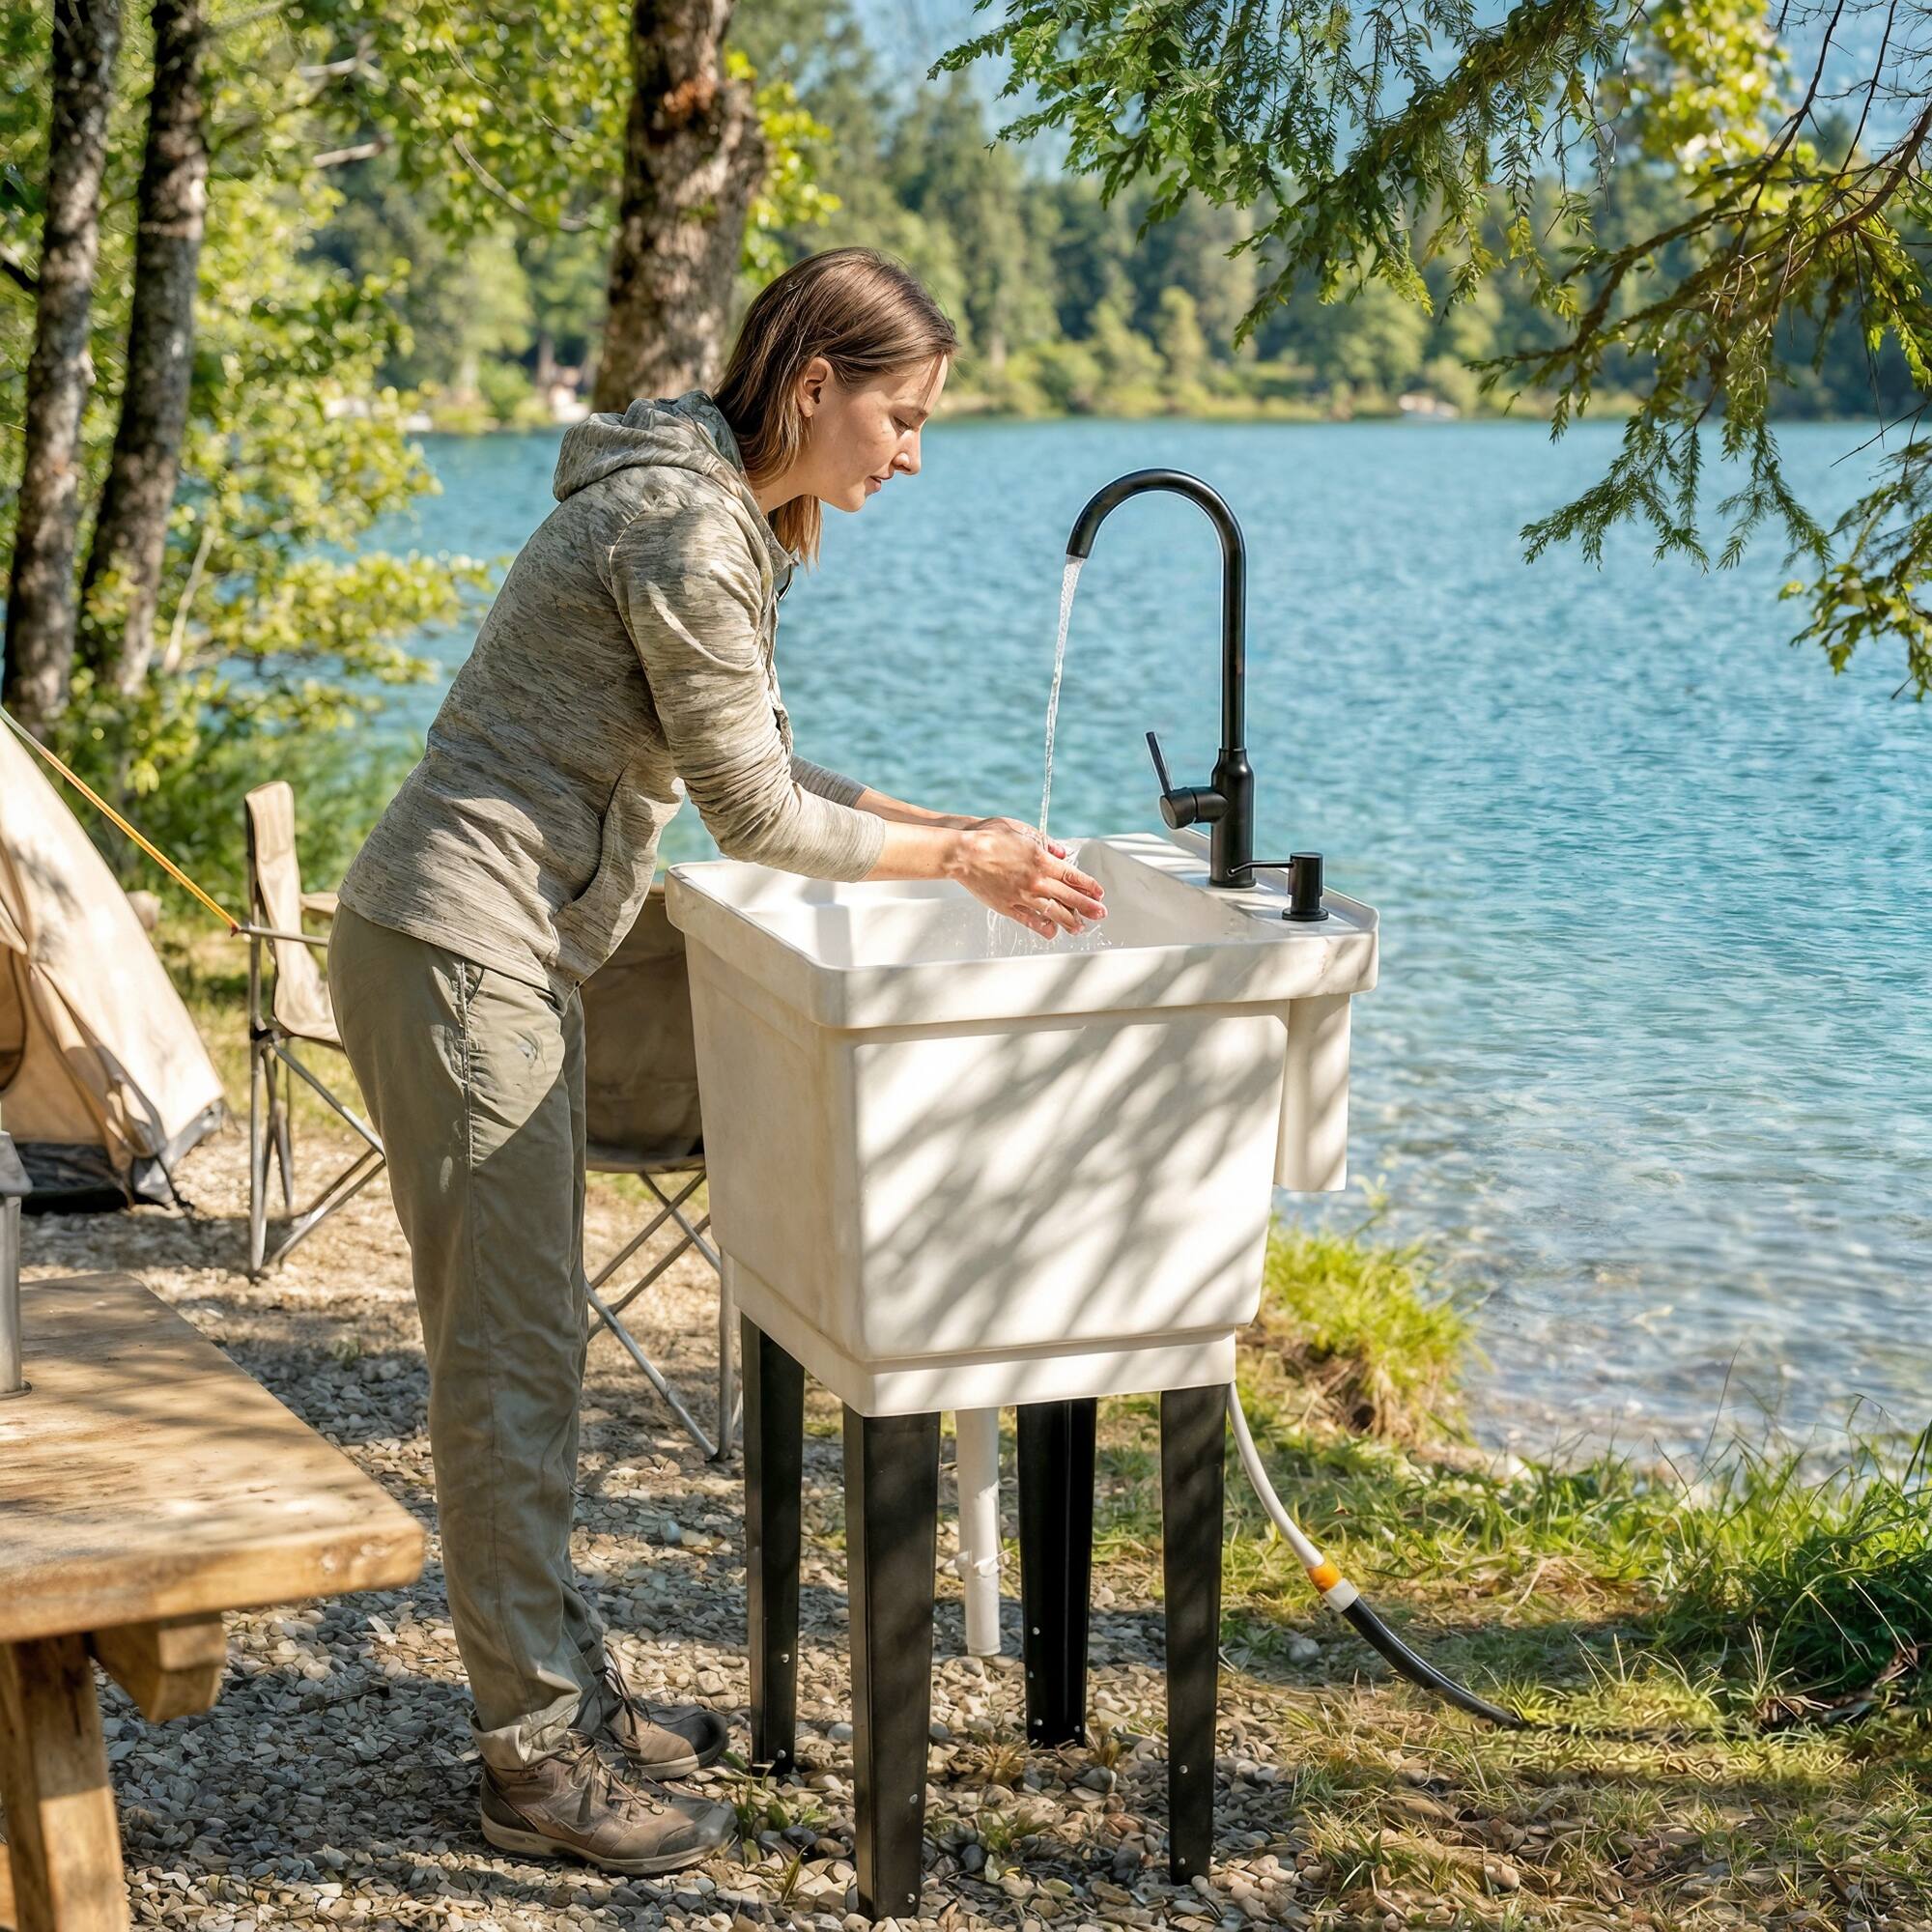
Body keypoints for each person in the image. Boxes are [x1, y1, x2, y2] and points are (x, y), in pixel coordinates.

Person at [326, 245, 1107, 1876]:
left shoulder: (695, 501)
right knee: (515, 1367)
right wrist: (956, 868)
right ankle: (531, 1761)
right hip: (462, 952)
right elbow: (750, 816)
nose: (910, 454)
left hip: (477, 945)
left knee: (532, 1352)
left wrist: (927, 824)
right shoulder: (688, 526)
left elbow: (746, 750)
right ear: (813, 385)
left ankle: (554, 1700)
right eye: (900, 416)